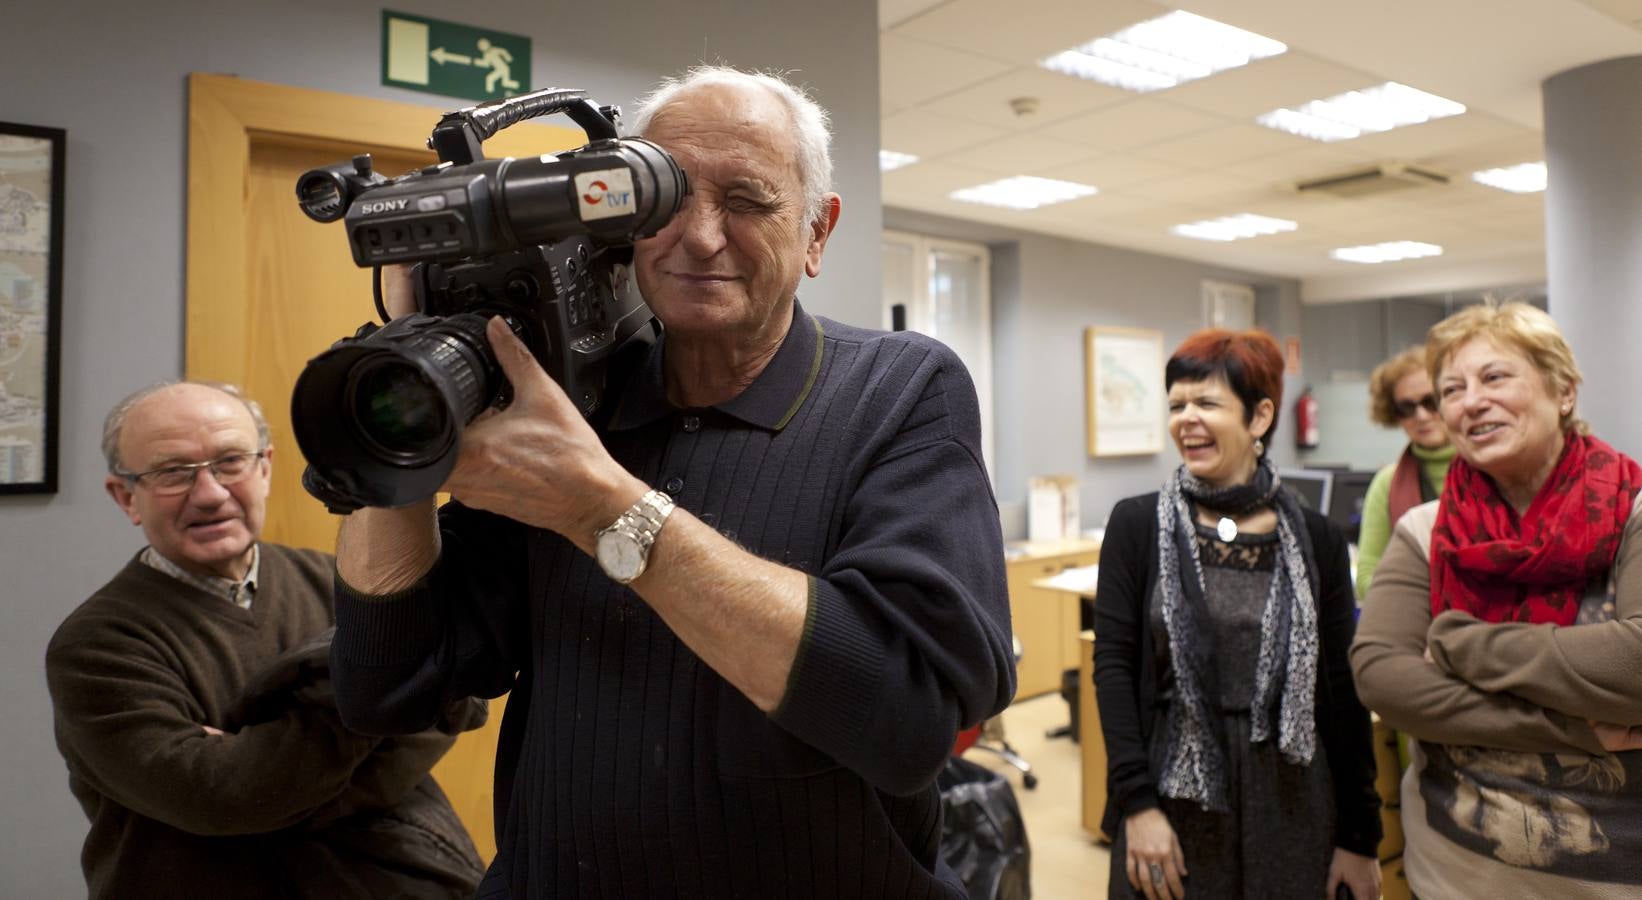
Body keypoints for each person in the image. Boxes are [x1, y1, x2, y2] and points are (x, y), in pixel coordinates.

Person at [329, 66, 1014, 898]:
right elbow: (389, 685)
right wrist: (402, 392)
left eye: (749, 202)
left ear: (817, 232)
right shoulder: (575, 404)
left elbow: (907, 721)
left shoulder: (899, 391)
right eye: (666, 200)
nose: (699, 236)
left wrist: (603, 509)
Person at [45, 381, 484, 899]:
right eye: (172, 473)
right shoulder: (96, 647)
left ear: (265, 468)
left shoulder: (345, 580)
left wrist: (270, 774)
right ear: (127, 497)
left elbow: (450, 704)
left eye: (230, 461)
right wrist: (367, 699)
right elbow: (224, 797)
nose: (209, 494)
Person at [1351, 301, 1642, 896]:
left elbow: (1636, 663)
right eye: (1450, 389)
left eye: (1494, 377)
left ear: (1563, 392)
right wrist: (1575, 728)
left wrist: (1459, 642)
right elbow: (1381, 676)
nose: (1469, 402)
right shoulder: (1425, 530)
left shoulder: (1633, 514)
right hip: (1456, 875)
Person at [1094, 329, 1382, 900]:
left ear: (1259, 417)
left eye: (1206, 403)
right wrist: (1138, 805)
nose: (1186, 419)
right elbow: (1114, 672)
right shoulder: (1136, 526)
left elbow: (1341, 690)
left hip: (1294, 797)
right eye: (1176, 404)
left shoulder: (1315, 539)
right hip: (1172, 795)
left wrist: (1360, 833)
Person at [1355, 346, 1456, 598]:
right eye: (1406, 407)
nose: (1420, 416)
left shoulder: (1491, 468)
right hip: (1414, 628)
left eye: (1430, 402)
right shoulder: (1387, 483)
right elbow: (1367, 576)